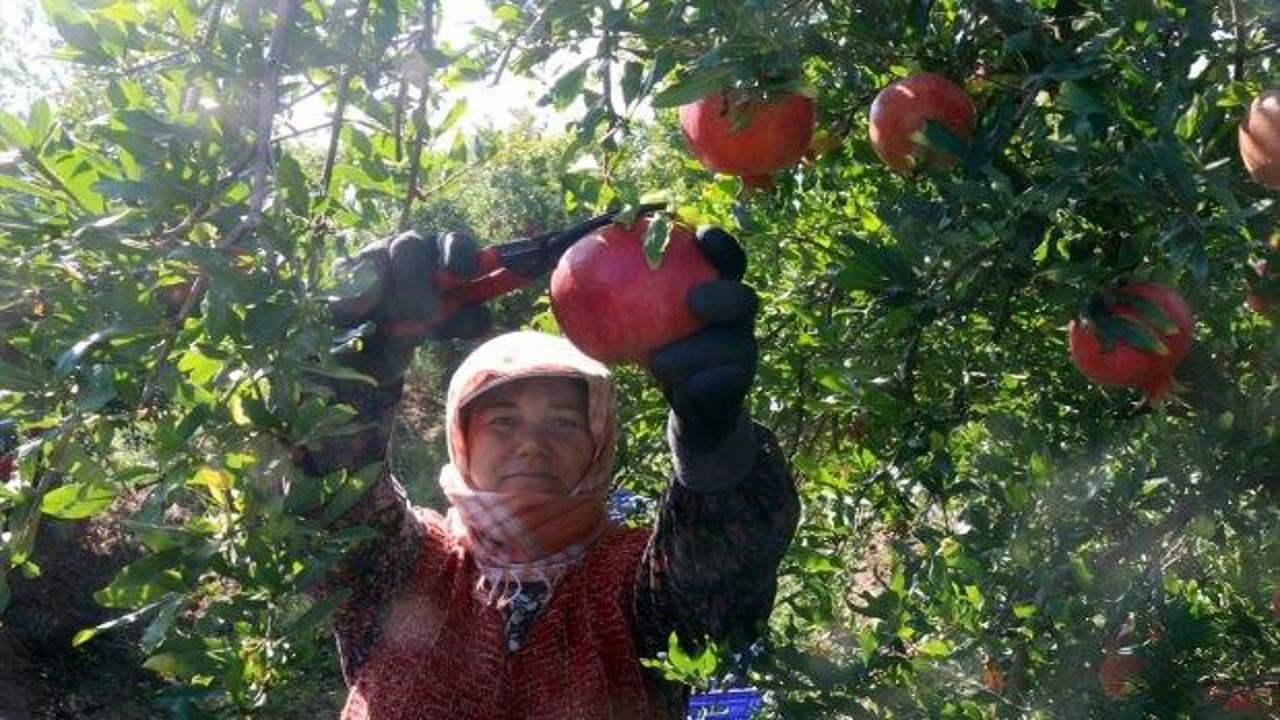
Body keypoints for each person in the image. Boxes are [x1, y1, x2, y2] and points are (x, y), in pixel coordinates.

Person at [294, 222, 800, 719]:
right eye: (503, 420)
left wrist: (714, 449)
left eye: (563, 422)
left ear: (598, 444)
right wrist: (350, 383)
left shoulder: (635, 585)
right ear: (462, 439)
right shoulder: (402, 569)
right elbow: (328, 512)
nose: (532, 443)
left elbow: (719, 589)